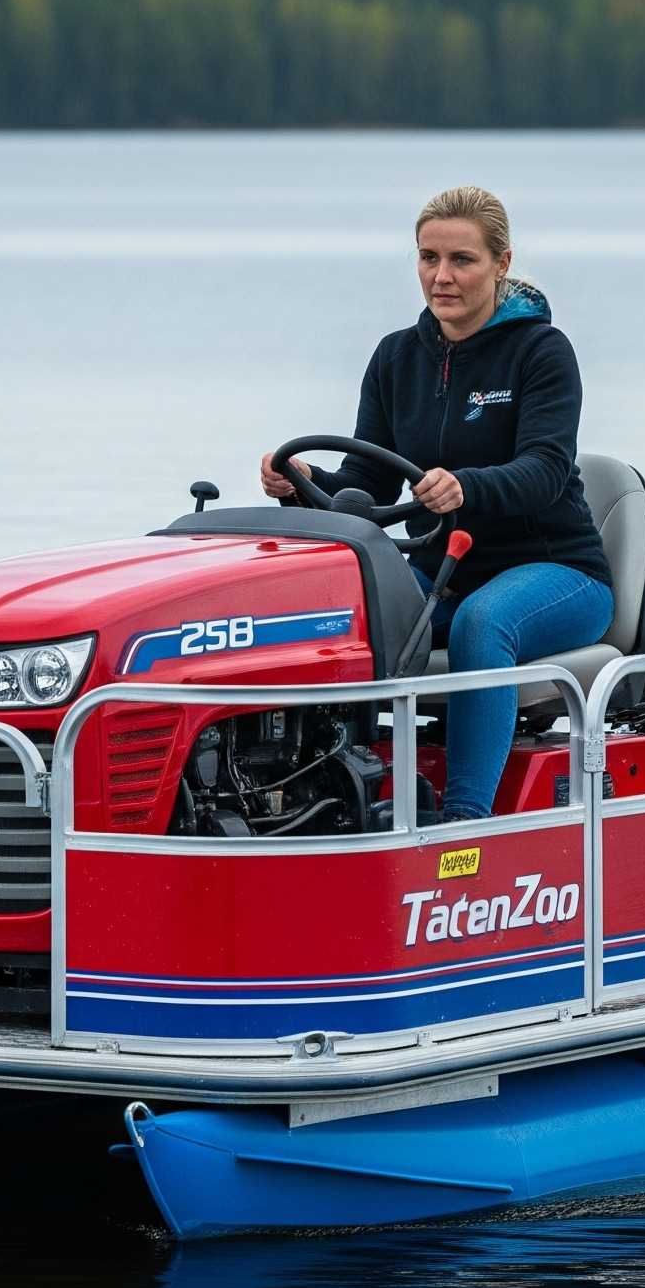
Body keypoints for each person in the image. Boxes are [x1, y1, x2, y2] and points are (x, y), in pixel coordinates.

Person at [260, 185, 613, 822]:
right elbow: (369, 483)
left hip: (560, 571)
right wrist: (304, 484)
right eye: (428, 258)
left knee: (483, 622)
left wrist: (465, 487)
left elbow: (545, 470)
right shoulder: (396, 357)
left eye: (461, 260)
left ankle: (464, 822)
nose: (441, 277)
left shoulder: (542, 352)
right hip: (441, 572)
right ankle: (329, 804)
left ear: (502, 263)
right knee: (343, 613)